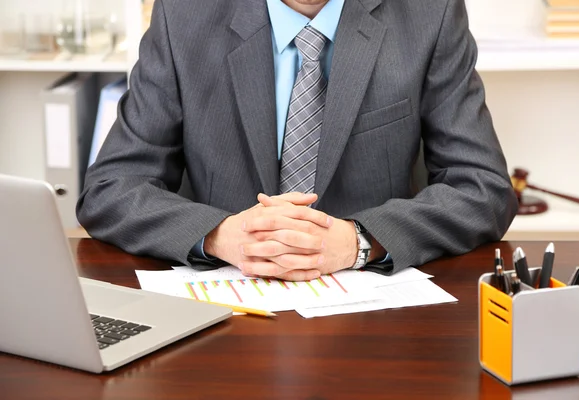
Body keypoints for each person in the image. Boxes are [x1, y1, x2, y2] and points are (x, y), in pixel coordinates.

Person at [76, 0, 518, 281]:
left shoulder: (430, 13)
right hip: (226, 303)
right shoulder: (184, 14)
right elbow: (110, 189)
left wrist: (358, 241)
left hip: (371, 311)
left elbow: (483, 188)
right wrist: (220, 236)